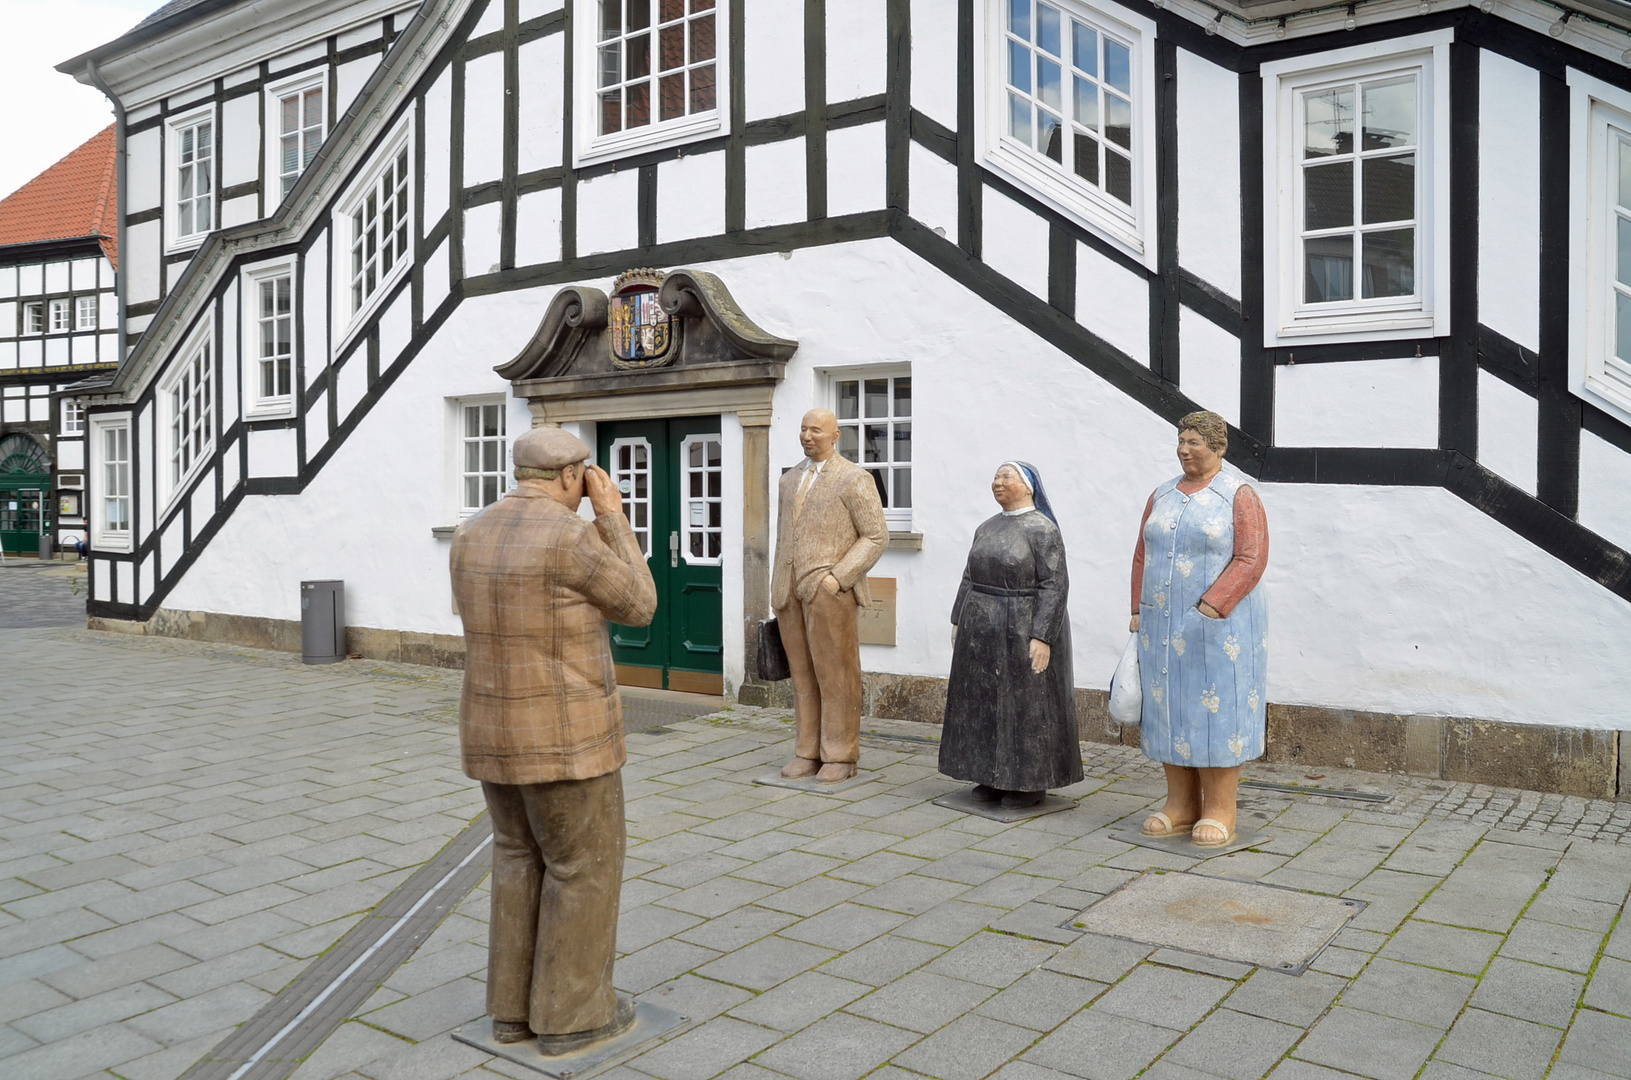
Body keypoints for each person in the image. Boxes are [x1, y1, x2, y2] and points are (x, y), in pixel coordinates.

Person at [449, 426, 657, 1053]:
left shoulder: (469, 532)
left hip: (491, 729)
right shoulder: (572, 537)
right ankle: (574, 1016)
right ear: (571, 477)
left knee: (516, 858)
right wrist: (613, 518)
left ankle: (512, 1011)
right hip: (568, 738)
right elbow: (641, 603)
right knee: (582, 868)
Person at [1129, 411, 1268, 847]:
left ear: (1219, 447)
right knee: (1169, 710)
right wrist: (1137, 608)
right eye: (1181, 440)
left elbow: (1252, 556)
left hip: (1219, 631)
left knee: (1215, 714)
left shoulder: (1238, 495)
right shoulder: (1162, 494)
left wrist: (1213, 604)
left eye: (1195, 442)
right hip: (1160, 625)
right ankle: (1181, 804)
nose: (1185, 449)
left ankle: (1221, 809)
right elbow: (1141, 555)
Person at [941, 462, 1083, 809]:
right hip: (982, 627)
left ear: (1029, 486)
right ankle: (989, 774)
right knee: (983, 701)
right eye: (996, 477)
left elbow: (1055, 584)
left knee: (1025, 706)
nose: (998, 482)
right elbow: (968, 576)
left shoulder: (1042, 529)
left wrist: (1043, 635)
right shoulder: (986, 527)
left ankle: (1029, 781)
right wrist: (959, 617)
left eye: (1007, 477)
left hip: (1023, 625)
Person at [771, 408, 888, 783]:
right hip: (789, 590)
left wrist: (838, 578)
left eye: (816, 430)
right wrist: (778, 583)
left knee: (836, 674)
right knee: (803, 676)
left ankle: (840, 754)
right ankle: (807, 750)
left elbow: (875, 535)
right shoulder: (788, 480)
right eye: (803, 429)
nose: (808, 436)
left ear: (835, 436)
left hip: (829, 589)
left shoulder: (854, 478)